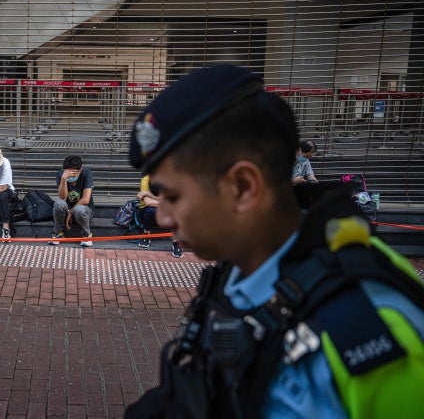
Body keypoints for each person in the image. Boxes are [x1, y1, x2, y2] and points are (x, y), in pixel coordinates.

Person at [124, 64, 424, 418]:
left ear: (244, 188)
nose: (163, 217)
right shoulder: (244, 264)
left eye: (172, 197)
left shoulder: (375, 331)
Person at [49, 155, 95, 247]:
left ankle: (86, 235)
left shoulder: (86, 173)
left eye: (73, 172)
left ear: (80, 170)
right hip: (66, 210)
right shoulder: (61, 174)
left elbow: (86, 199)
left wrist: (70, 212)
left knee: (79, 209)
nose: (71, 175)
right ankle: (58, 233)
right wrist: (63, 179)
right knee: (58, 203)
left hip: (84, 211)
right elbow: (63, 198)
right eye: (68, 172)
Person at [136, 174, 184, 257]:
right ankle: (146, 235)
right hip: (147, 212)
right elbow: (148, 203)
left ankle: (176, 242)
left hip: (165, 212)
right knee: (151, 211)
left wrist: (149, 194)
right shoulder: (146, 180)